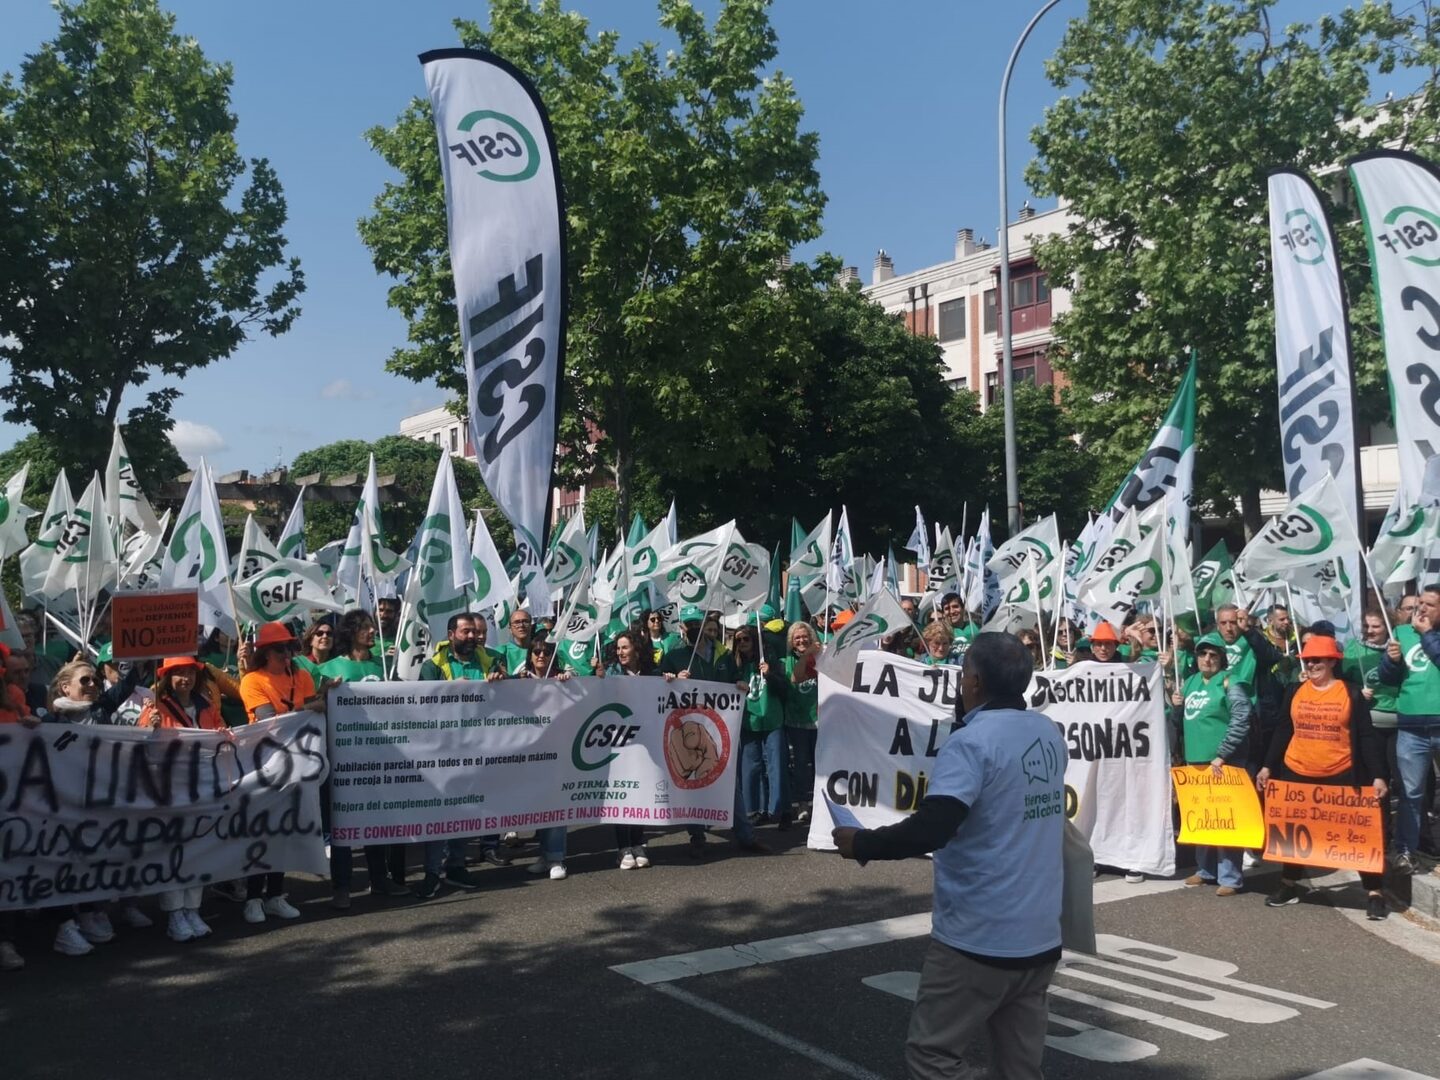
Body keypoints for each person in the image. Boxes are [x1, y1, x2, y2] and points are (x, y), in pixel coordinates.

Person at [833, 633, 1066, 1080]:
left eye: (963, 677)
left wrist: (861, 844)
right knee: (1020, 1067)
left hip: (978, 938)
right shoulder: (1047, 732)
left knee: (931, 1055)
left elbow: (934, 827)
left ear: (974, 682)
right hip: (1039, 936)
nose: (960, 686)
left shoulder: (972, 742)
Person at [1261, 635, 1389, 919]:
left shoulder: (1350, 692)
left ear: (1332, 661)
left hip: (1340, 773)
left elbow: (1366, 736)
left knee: (1358, 835)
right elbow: (1283, 729)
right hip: (1297, 772)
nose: (1312, 665)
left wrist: (1378, 776)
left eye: (1317, 660)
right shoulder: (1295, 690)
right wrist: (1268, 766)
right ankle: (1289, 885)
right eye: (1307, 660)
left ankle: (1374, 892)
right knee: (1294, 834)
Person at [238, 622, 328, 924]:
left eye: (289, 648)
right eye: (280, 649)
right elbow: (269, 721)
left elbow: (311, 707)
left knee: (283, 832)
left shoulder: (301, 676)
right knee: (261, 832)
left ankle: (274, 895)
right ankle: (253, 898)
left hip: (296, 764)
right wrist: (309, 708)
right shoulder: (252, 680)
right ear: (265, 653)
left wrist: (318, 699)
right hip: (262, 765)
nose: (287, 654)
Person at [414, 612, 508, 898]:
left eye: (474, 632)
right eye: (465, 631)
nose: (471, 636)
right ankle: (432, 872)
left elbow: (508, 696)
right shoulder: (433, 666)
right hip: (442, 751)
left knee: (464, 810)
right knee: (438, 813)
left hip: (477, 748)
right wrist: (453, 689)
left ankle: (456, 866)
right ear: (450, 634)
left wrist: (503, 681)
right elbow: (423, 703)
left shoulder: (490, 661)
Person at [137, 656, 225, 941]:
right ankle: (175, 914)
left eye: (190, 673)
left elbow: (222, 735)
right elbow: (139, 745)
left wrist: (223, 736)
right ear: (168, 678)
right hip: (169, 789)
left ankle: (192, 909)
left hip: (202, 787)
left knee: (198, 849)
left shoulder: (206, 706)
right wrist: (148, 727)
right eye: (179, 673)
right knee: (173, 851)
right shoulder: (156, 706)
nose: (186, 678)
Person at [1170, 634, 1250, 896]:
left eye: (1213, 655)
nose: (1207, 659)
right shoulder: (1190, 682)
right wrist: (1176, 707)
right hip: (1195, 762)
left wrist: (1223, 753)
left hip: (1223, 763)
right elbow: (1180, 723)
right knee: (1201, 819)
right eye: (1202, 654)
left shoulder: (1230, 681)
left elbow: (1242, 718)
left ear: (1221, 658)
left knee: (1226, 821)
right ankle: (1205, 870)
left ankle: (1230, 877)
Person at [1378, 584, 1440, 874]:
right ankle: (1405, 851)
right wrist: (1390, 662)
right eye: (1420, 603)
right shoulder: (1401, 633)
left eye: (1430, 604)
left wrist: (1427, 635)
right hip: (1411, 727)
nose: (1422, 608)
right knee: (1411, 793)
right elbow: (1388, 679)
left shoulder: (1426, 634)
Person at [607, 629, 656, 868]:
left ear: (636, 649)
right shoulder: (611, 673)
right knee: (621, 793)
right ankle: (622, 847)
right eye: (618, 648)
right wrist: (597, 678)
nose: (620, 652)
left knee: (640, 793)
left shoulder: (651, 674)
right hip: (619, 743)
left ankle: (638, 843)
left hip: (644, 743)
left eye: (625, 647)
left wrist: (671, 679)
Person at [733, 625, 790, 829]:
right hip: (749, 721)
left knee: (776, 766)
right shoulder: (735, 665)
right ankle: (754, 810)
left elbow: (785, 689)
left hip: (772, 719)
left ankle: (781, 810)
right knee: (750, 767)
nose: (742, 643)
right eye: (738, 640)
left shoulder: (771, 660)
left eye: (746, 639)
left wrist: (770, 674)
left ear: (754, 640)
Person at [783, 621, 821, 824]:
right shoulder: (787, 660)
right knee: (800, 764)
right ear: (791, 641)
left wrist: (816, 654)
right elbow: (796, 677)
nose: (801, 640)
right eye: (797, 637)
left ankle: (821, 803)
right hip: (797, 720)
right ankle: (803, 802)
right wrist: (806, 656)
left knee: (819, 764)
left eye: (804, 636)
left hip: (819, 719)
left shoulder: (821, 656)